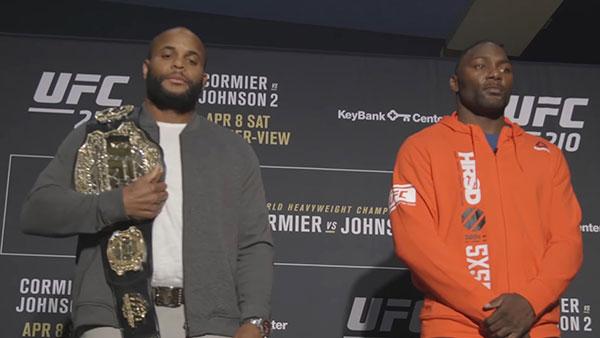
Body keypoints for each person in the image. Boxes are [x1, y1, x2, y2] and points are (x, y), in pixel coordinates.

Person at [21, 27, 273, 338]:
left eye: (191, 60)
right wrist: (117, 204)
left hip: (209, 324)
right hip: (112, 317)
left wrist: (255, 320)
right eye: (167, 56)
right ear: (146, 68)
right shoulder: (100, 133)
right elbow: (37, 211)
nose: (179, 65)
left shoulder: (233, 151)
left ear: (204, 79)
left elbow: (253, 244)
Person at [388, 41, 582, 338]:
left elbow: (567, 242)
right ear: (455, 82)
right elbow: (416, 244)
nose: (495, 75)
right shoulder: (422, 149)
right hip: (458, 326)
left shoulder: (546, 154)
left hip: (534, 325)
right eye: (481, 66)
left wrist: (530, 303)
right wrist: (493, 312)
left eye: (505, 68)